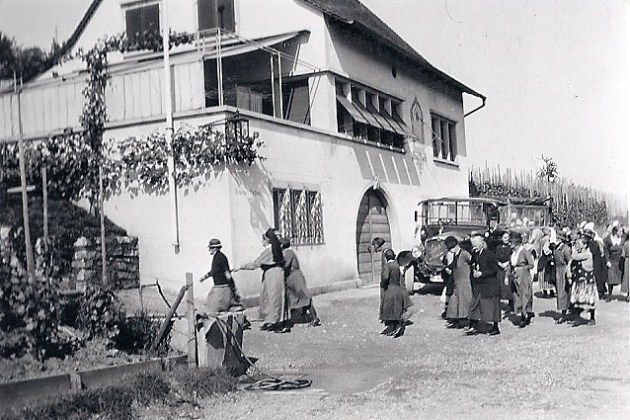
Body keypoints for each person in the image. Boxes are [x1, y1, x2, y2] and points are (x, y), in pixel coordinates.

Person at [234, 228, 290, 333]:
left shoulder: (269, 250)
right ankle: (275, 321)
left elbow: (255, 264)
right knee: (275, 298)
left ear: (267, 240)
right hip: (276, 274)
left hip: (272, 275)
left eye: (263, 239)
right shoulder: (276, 248)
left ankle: (278, 323)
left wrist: (241, 267)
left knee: (273, 299)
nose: (262, 242)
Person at [279, 238, 321, 327]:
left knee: (304, 298)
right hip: (292, 278)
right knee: (294, 298)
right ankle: (301, 315)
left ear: (282, 245)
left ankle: (314, 318)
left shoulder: (288, 252)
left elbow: (285, 265)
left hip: (295, 278)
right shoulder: (287, 252)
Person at [465, 234, 501, 336]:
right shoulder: (475, 253)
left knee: (492, 306)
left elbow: (495, 270)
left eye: (475, 245)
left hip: (490, 285)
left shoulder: (490, 255)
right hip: (479, 284)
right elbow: (473, 264)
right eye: (473, 245)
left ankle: (495, 328)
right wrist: (473, 272)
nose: (473, 248)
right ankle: (473, 326)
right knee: (475, 304)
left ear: (481, 244)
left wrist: (482, 273)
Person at [444, 236, 473, 329]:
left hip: (464, 280)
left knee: (464, 301)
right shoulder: (455, 254)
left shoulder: (464, 253)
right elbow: (453, 265)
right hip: (457, 280)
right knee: (455, 300)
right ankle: (455, 319)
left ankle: (464, 320)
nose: (451, 250)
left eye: (452, 247)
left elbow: (473, 261)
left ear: (457, 245)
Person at [568, 236, 597, 325]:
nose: (576, 245)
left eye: (578, 244)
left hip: (587, 282)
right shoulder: (581, 253)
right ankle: (577, 319)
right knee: (578, 300)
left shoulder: (587, 254)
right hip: (579, 281)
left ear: (585, 245)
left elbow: (574, 257)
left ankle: (592, 319)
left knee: (589, 300)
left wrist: (573, 249)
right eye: (576, 243)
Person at [508, 231, 535, 328]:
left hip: (523, 276)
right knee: (517, 296)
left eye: (511, 243)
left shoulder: (524, 252)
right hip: (515, 275)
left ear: (516, 244)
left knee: (524, 295)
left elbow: (531, 264)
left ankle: (523, 317)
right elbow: (511, 264)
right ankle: (527, 312)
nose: (509, 245)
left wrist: (523, 268)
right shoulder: (513, 253)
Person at [379, 248, 408, 337]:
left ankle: (392, 328)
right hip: (397, 289)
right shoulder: (396, 265)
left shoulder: (387, 266)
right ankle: (397, 327)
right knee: (396, 309)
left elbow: (385, 277)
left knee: (389, 309)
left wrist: (382, 284)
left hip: (390, 289)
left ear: (386, 257)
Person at [584, 223, 608, 299]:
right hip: (596, 261)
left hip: (597, 262)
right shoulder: (593, 243)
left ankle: (600, 292)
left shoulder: (594, 243)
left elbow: (592, 252)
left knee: (598, 276)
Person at [553, 230, 573, 323]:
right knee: (560, 292)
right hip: (558, 271)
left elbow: (570, 261)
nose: (555, 239)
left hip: (564, 271)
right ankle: (564, 312)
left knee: (564, 292)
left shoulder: (566, 248)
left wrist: (568, 272)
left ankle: (564, 314)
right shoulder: (557, 247)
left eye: (557, 238)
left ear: (561, 239)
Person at [603, 226, 624, 302]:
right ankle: (609, 295)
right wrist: (607, 261)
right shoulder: (609, 240)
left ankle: (628, 295)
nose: (621, 233)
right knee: (610, 278)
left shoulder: (622, 239)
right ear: (615, 232)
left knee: (623, 277)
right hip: (611, 261)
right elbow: (606, 251)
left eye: (622, 231)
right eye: (619, 231)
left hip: (620, 261)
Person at [495, 231, 513, 312]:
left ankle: (511, 305)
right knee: (500, 285)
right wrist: (499, 263)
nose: (506, 239)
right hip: (500, 268)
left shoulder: (511, 247)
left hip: (508, 268)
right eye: (505, 237)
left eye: (507, 237)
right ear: (501, 238)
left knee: (509, 286)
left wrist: (507, 263)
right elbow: (496, 257)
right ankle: (498, 304)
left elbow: (513, 257)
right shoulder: (498, 247)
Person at [621, 229, 629, 302]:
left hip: (627, 260)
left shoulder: (626, 243)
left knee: (627, 277)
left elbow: (623, 255)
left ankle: (628, 294)